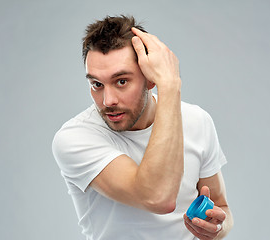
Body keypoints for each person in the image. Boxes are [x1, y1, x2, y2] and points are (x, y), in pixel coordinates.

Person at [52, 15, 233, 240]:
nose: (108, 100)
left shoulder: (197, 120)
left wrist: (216, 228)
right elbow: (157, 198)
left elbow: (222, 207)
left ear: (150, 78)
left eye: (121, 81)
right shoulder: (75, 138)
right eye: (96, 84)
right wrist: (170, 84)